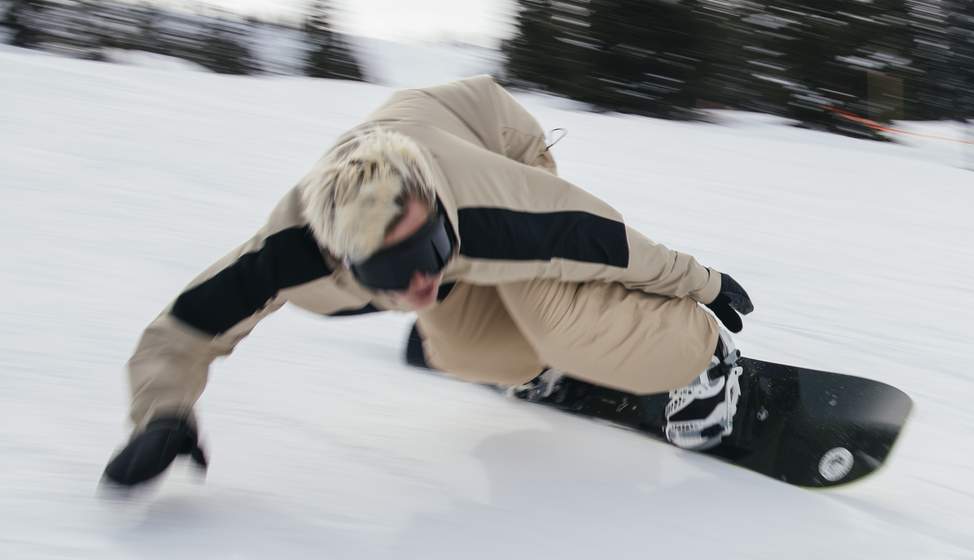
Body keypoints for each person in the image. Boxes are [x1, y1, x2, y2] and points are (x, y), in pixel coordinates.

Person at [102, 76, 755, 489]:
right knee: (465, 349)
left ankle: (702, 363)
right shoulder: (290, 251)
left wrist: (701, 284)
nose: (420, 282)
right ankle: (536, 358)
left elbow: (604, 242)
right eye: (390, 272)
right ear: (343, 263)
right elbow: (185, 328)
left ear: (442, 218)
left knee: (556, 315)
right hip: (410, 157)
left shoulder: (490, 204)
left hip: (493, 138)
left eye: (431, 248)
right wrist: (162, 414)